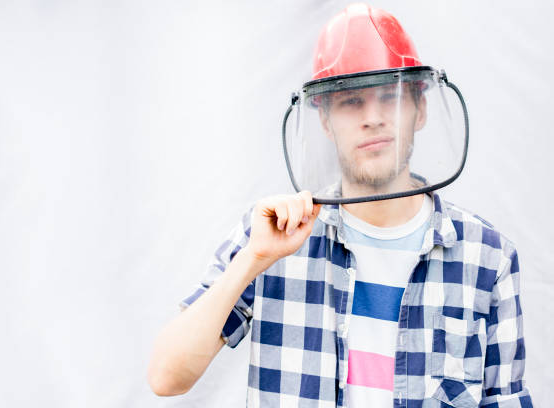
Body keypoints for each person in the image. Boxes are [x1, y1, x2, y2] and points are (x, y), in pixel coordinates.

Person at [148, 4, 532, 407]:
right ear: (326, 122)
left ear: (421, 109)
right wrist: (253, 258)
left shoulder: (489, 257)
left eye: (390, 96)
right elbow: (166, 377)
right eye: (351, 102)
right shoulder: (272, 236)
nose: (373, 118)